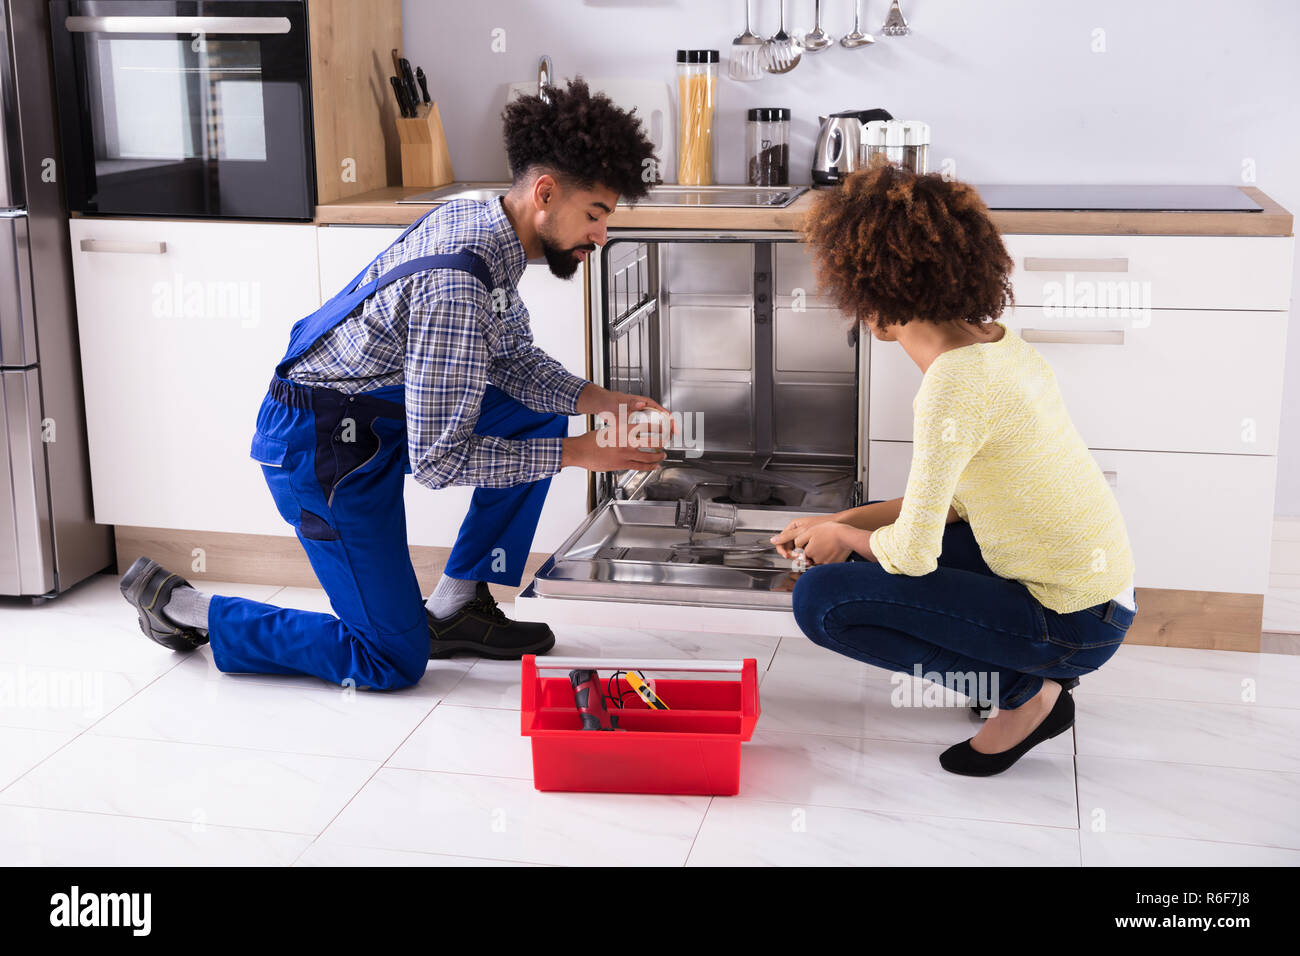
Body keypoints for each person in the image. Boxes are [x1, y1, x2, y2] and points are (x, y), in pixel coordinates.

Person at [120, 78, 672, 690]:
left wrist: (596, 400)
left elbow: (511, 359)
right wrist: (578, 454)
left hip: (379, 417)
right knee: (390, 660)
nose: (600, 235)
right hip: (324, 449)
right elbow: (441, 461)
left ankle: (457, 603)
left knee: (533, 410)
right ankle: (185, 609)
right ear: (545, 193)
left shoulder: (486, 219)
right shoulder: (457, 282)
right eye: (595, 215)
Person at [772, 159, 1138, 777]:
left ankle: (1028, 696)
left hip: (1074, 623)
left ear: (874, 292)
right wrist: (838, 522)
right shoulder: (995, 344)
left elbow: (913, 554)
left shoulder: (951, 385)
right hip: (1099, 599)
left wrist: (844, 541)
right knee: (893, 547)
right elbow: (954, 507)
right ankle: (1030, 677)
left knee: (820, 601)